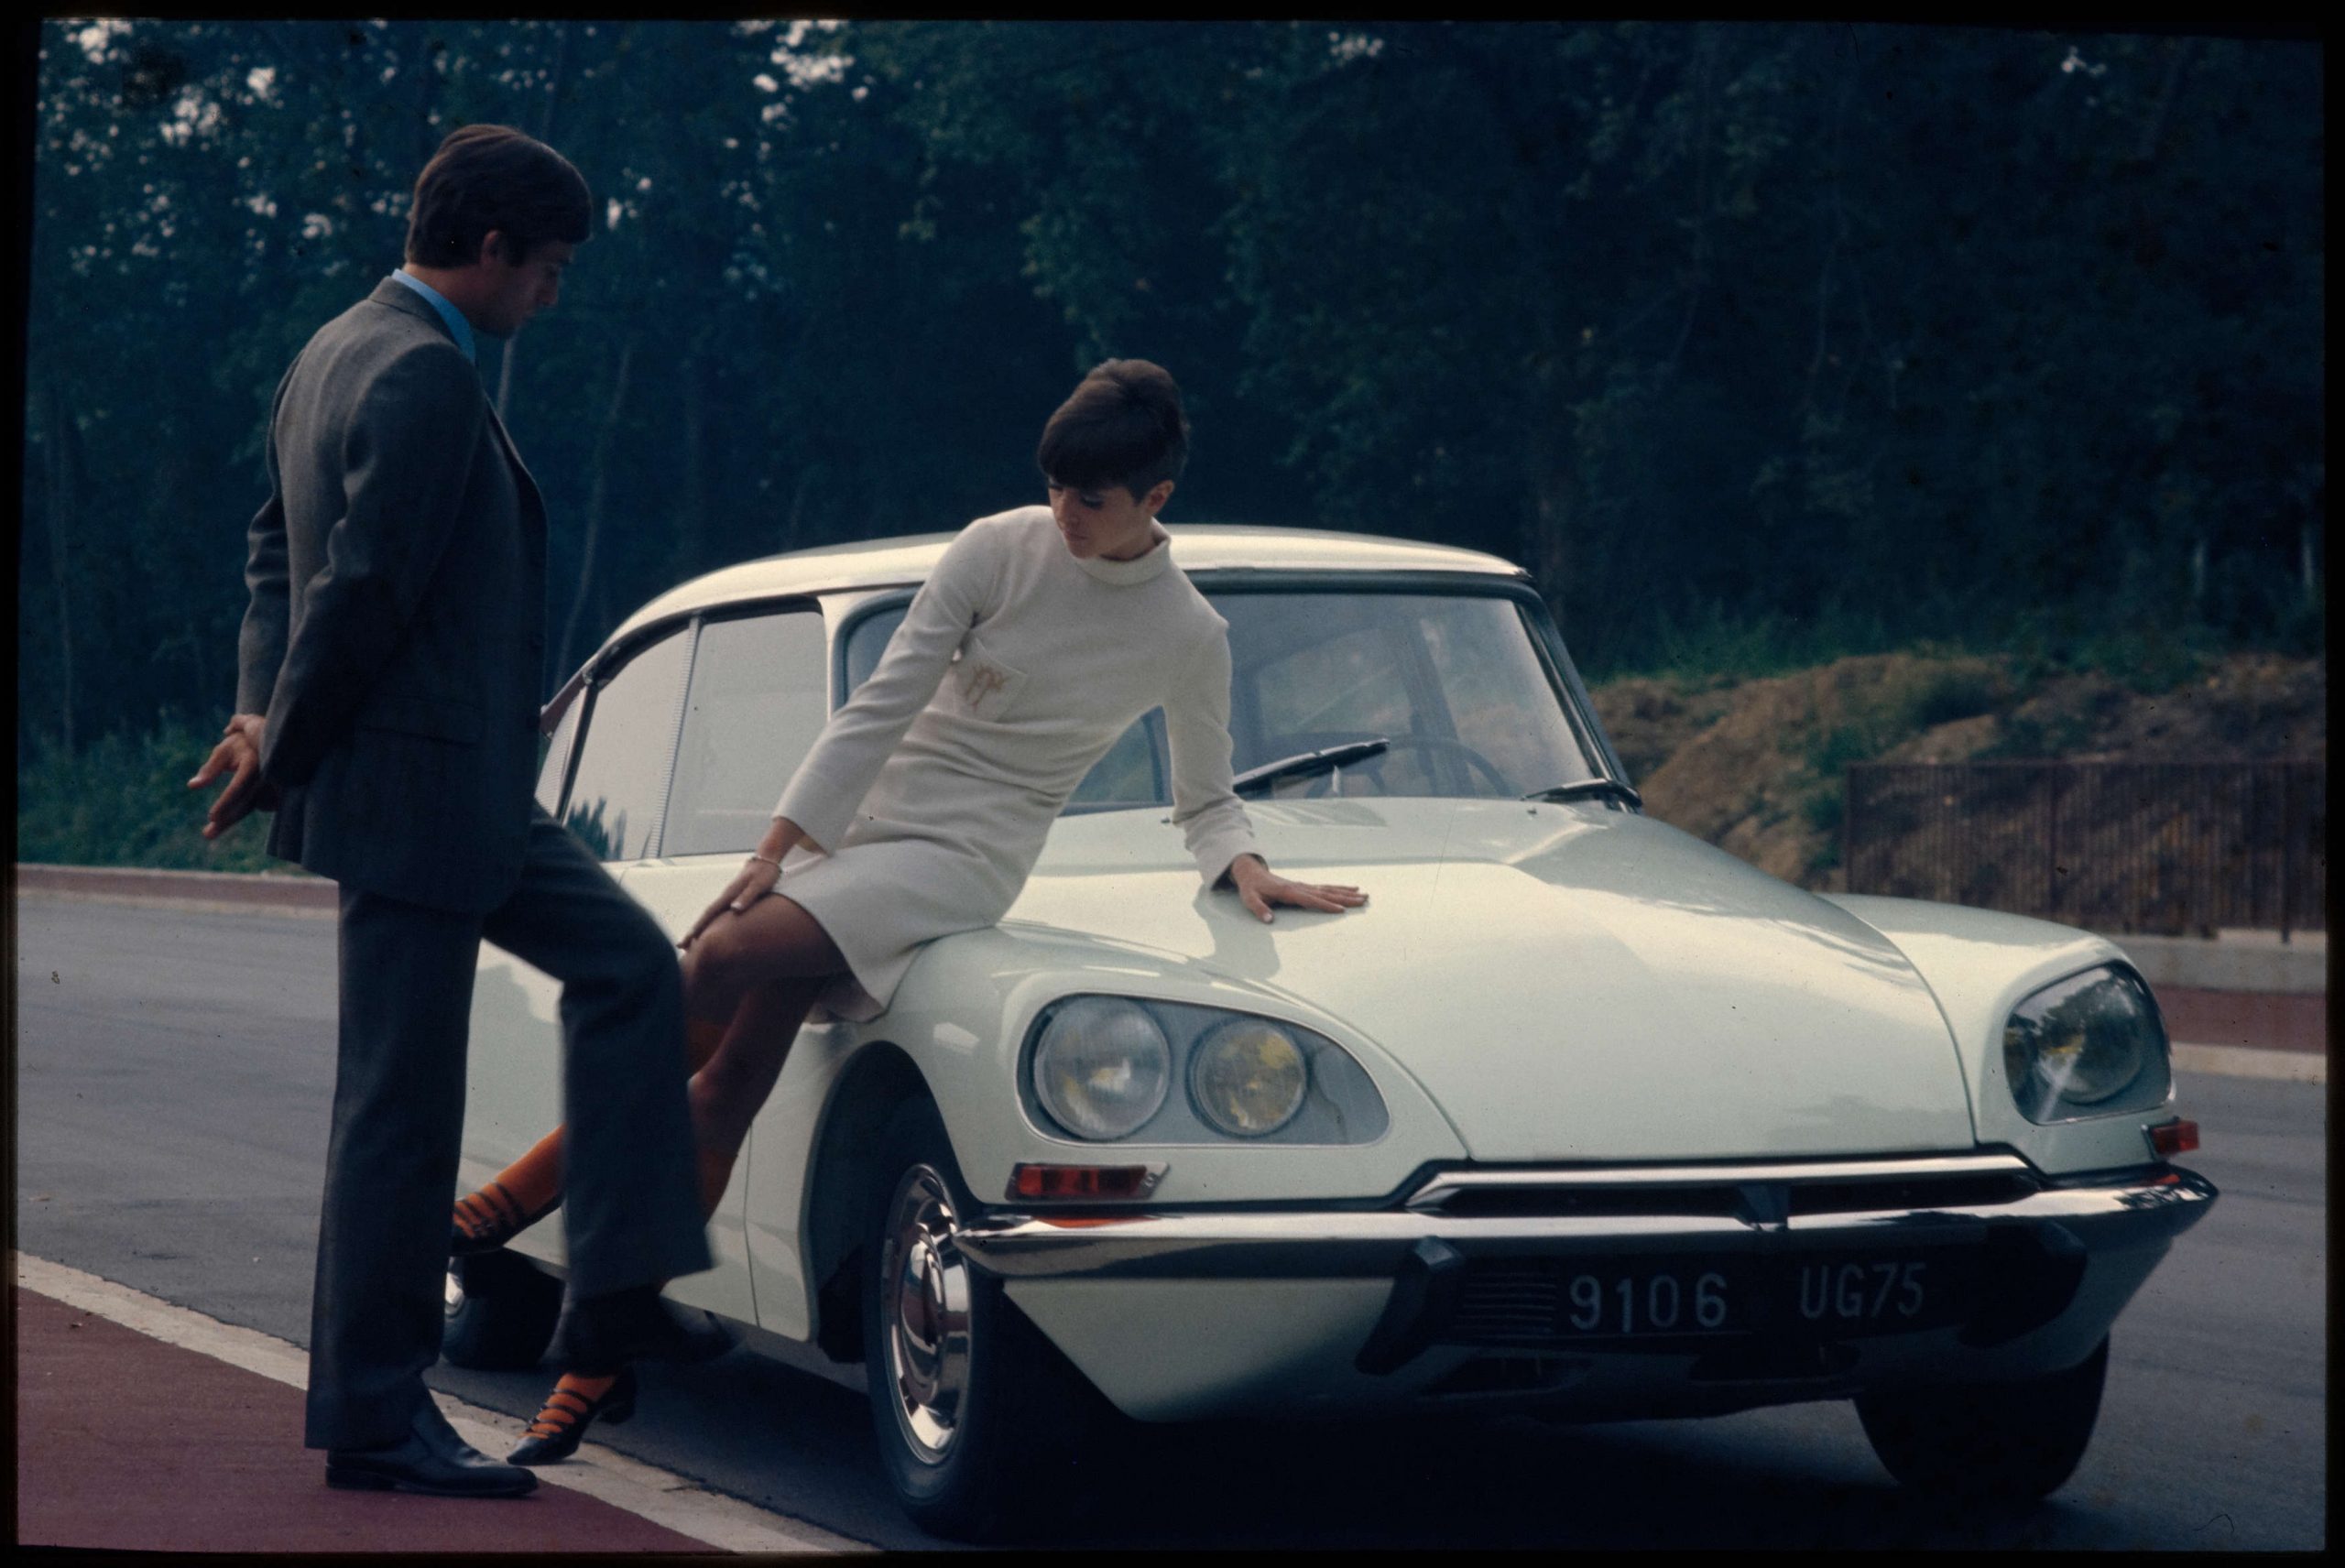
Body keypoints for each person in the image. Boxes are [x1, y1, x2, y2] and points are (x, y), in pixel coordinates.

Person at [453, 358, 1369, 1465]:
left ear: (1155, 498)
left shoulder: (1187, 631)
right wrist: (779, 845)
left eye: (1089, 498)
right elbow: (881, 701)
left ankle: (499, 1211)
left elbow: (1205, 794)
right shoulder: (996, 546)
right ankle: (599, 1352)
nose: (1063, 513)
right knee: (726, 1084)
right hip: (858, 826)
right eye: (1053, 487)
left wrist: (1246, 864)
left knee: (710, 963)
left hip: (962, 858)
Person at [191, 125, 728, 1500]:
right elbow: (357, 592)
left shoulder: (334, 347)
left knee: (629, 970)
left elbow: (273, 555)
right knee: (399, 1116)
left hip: (458, 786)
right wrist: (283, 746)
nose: (551, 293)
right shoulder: (423, 370)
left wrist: (257, 711)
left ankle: (616, 1301)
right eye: (548, 268)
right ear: (489, 250)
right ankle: (377, 1417)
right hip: (411, 797)